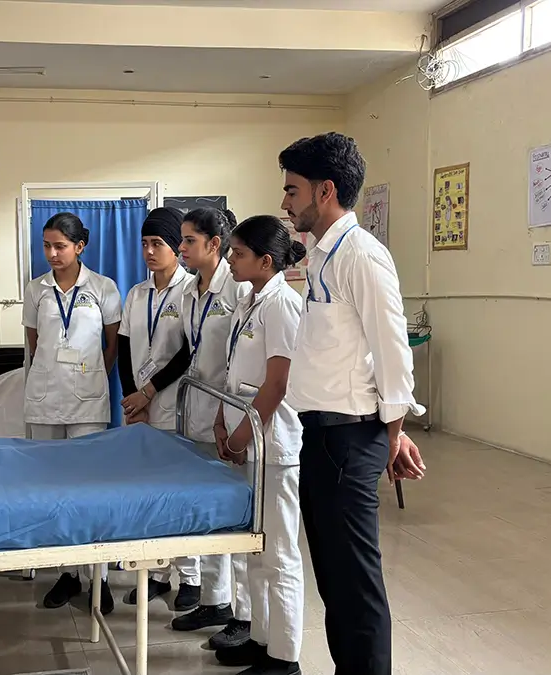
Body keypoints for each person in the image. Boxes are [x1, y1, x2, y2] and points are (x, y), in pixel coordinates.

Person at [278, 132, 425, 675]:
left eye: (292, 190)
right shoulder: (323, 255)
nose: (285, 202)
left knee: (356, 586)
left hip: (349, 437)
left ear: (326, 191)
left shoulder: (361, 255)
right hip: (321, 435)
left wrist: (393, 433)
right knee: (334, 582)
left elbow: (392, 350)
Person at [213, 215, 307, 675]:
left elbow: (277, 383)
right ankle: (261, 639)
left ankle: (285, 658)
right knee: (255, 547)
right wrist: (221, 419)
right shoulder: (248, 301)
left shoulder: (283, 304)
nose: (230, 260)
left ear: (266, 261)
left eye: (238, 253)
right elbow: (234, 370)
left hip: (271, 446)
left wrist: (239, 436)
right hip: (245, 438)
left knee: (279, 553)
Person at [25, 212, 122, 615]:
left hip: (88, 400)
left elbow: (112, 345)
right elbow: (34, 344)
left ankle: (99, 576)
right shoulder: (36, 289)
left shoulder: (103, 287)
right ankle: (67, 573)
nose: (52, 253)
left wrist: (92, 376)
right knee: (53, 488)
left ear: (80, 246)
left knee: (90, 487)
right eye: (46, 246)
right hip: (45, 399)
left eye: (60, 246)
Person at [171, 207, 253, 642]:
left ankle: (245, 613)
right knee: (209, 513)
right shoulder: (189, 291)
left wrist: (226, 419)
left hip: (230, 414)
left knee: (236, 516)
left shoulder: (237, 289)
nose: (181, 248)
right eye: (182, 240)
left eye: (189, 240)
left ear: (214, 244)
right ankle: (214, 600)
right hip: (196, 410)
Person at [117, 206, 201, 609]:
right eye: (145, 244)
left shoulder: (190, 291)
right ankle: (155, 574)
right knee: (147, 495)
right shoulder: (137, 293)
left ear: (176, 246)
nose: (149, 251)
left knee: (180, 493)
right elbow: (123, 348)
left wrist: (148, 393)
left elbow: (186, 353)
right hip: (140, 410)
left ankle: (190, 577)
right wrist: (132, 400)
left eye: (158, 243)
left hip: (173, 405)